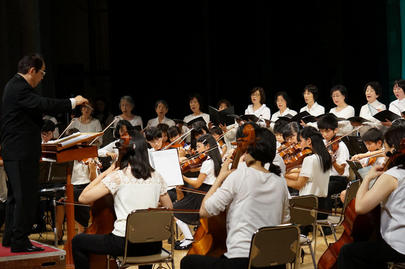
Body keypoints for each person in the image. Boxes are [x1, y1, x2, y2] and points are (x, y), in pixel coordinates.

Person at [0, 53, 88, 252]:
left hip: (16, 150)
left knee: (16, 196)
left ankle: (10, 239)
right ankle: (20, 241)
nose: (42, 77)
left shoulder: (13, 86)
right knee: (25, 196)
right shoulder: (20, 88)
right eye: (42, 73)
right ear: (32, 71)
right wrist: (73, 101)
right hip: (20, 151)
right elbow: (43, 104)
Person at [181, 125, 290, 269]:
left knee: (187, 262)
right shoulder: (280, 181)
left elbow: (204, 211)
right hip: (274, 262)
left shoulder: (239, 176)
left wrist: (220, 178)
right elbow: (285, 222)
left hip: (242, 261)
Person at [72, 132, 173, 269]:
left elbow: (83, 198)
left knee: (78, 241)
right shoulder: (157, 176)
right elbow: (169, 209)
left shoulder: (118, 177)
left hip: (125, 244)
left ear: (124, 152)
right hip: (153, 245)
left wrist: (107, 172)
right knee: (145, 238)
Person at [337, 124, 405, 268]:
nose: (384, 152)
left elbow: (361, 207)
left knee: (348, 252)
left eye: (385, 147)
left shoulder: (394, 175)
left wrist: (367, 178)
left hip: (399, 244)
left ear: (394, 149)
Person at [174, 134, 222, 250]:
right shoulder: (215, 160)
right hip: (210, 192)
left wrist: (181, 176)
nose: (197, 150)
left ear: (207, 147)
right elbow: (203, 173)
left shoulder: (207, 162)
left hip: (202, 194)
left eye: (199, 146)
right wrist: (191, 168)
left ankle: (189, 238)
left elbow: (197, 184)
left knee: (174, 209)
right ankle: (188, 238)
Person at [284, 126, 332, 221]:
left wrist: (281, 179)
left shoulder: (309, 159)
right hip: (322, 205)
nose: (299, 145)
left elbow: (298, 185)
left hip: (307, 207)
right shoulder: (326, 157)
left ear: (309, 141)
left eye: (301, 141)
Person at [317, 114, 350, 221]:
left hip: (339, 180)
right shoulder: (322, 143)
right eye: (321, 131)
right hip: (326, 177)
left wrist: (333, 161)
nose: (324, 134)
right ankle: (312, 220)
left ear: (335, 130)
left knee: (324, 188)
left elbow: (341, 171)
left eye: (327, 131)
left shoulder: (341, 146)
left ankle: (325, 222)